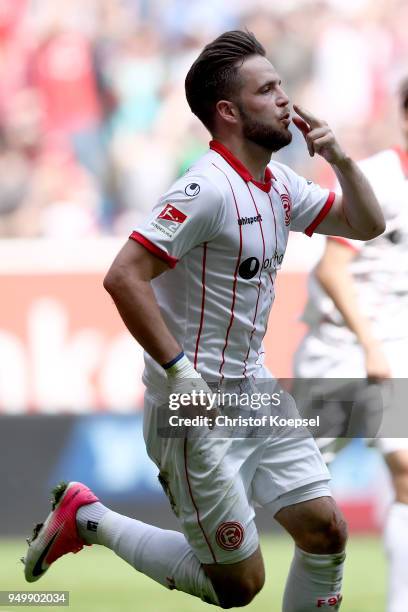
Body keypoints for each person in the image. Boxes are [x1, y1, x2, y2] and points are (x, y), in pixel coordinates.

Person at [23, 31, 384, 610]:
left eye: (282, 87)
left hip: (255, 390)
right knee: (239, 587)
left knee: (327, 532)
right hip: (194, 403)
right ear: (229, 111)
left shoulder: (281, 186)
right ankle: (88, 518)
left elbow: (366, 225)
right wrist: (178, 372)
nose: (286, 101)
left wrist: (339, 157)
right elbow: (123, 275)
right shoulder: (204, 189)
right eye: (268, 90)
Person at [293, 78, 408, 612]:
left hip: (394, 347)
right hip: (340, 346)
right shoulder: (381, 178)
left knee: (405, 469)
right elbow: (333, 269)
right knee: (300, 489)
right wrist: (371, 346)